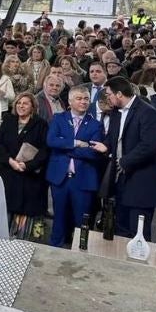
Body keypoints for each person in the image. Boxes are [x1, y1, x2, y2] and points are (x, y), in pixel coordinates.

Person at [46, 85, 109, 247]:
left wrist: (66, 149)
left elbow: (93, 153)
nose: (83, 102)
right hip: (60, 178)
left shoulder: (96, 125)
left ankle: (80, 252)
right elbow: (51, 141)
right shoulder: (59, 118)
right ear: (70, 101)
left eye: (86, 99)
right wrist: (77, 143)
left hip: (83, 179)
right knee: (59, 218)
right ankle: (55, 249)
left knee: (82, 221)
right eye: (79, 98)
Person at [104, 76, 156, 241]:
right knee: (120, 232)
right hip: (121, 183)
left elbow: (149, 146)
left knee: (138, 235)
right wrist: (105, 146)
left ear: (120, 94)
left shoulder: (148, 112)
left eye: (109, 94)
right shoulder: (115, 112)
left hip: (142, 184)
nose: (107, 98)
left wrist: (124, 161)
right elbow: (113, 138)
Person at [0, 93, 50, 239]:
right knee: (7, 207)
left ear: (33, 106)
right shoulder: (8, 120)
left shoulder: (41, 124)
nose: (21, 106)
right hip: (9, 172)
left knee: (26, 210)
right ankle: (3, 237)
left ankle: (21, 240)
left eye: (25, 103)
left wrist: (27, 165)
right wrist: (10, 161)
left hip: (29, 176)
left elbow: (45, 150)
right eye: (19, 103)